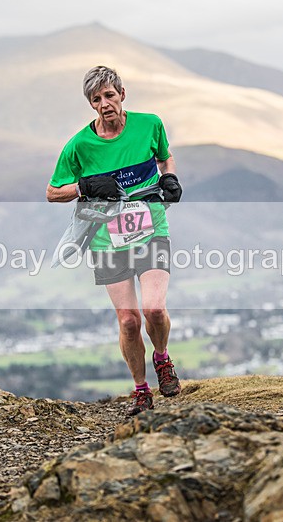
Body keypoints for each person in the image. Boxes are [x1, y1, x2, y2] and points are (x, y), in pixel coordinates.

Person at [47, 66, 183, 416]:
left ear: (122, 93)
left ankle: (162, 359)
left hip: (151, 229)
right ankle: (140, 389)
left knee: (154, 309)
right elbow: (52, 192)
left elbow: (164, 157)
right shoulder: (80, 145)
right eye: (96, 99)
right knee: (128, 321)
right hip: (107, 241)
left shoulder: (149, 124)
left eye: (109, 95)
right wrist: (85, 187)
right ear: (91, 105)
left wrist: (170, 178)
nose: (105, 104)